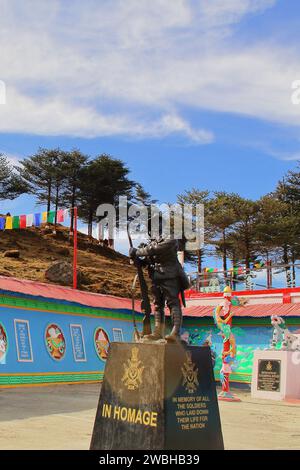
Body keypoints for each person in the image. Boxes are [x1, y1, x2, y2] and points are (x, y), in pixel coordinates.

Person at [129, 235, 190, 342]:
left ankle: (175, 332)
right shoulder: (153, 242)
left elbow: (155, 249)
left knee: (173, 302)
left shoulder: (171, 239)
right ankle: (157, 332)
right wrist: (136, 260)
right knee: (157, 304)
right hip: (156, 277)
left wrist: (137, 251)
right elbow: (148, 260)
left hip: (170, 275)